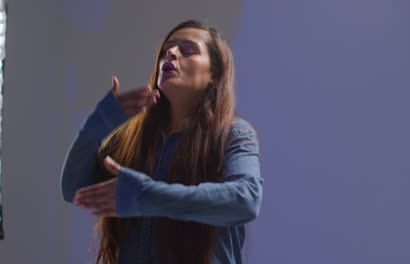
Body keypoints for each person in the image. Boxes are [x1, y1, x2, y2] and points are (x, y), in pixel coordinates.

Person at [60, 19, 263, 264]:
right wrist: (98, 124)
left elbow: (245, 201)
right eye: (167, 50)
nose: (171, 53)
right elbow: (74, 190)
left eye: (187, 50)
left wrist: (147, 196)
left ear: (214, 74)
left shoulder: (234, 133)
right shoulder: (130, 138)